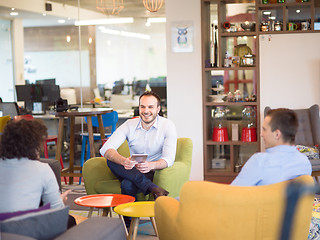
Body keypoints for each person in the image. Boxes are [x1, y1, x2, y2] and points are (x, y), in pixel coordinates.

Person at [100, 91, 177, 200]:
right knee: (111, 159)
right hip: (131, 168)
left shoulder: (167, 126)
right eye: (143, 107)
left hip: (152, 171)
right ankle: (153, 188)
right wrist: (123, 161)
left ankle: (129, 218)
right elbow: (105, 149)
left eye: (150, 107)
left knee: (127, 184)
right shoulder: (129, 124)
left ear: (158, 109)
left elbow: (169, 159)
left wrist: (150, 165)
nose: (146, 111)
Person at [0, 119, 74, 225]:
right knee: (69, 220)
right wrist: (61, 201)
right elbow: (56, 213)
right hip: (25, 230)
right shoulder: (42, 169)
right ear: (34, 145)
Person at [231, 108, 312, 186]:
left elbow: (232, 194)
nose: (261, 134)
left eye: (264, 129)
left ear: (277, 134)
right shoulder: (305, 163)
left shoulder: (259, 161)